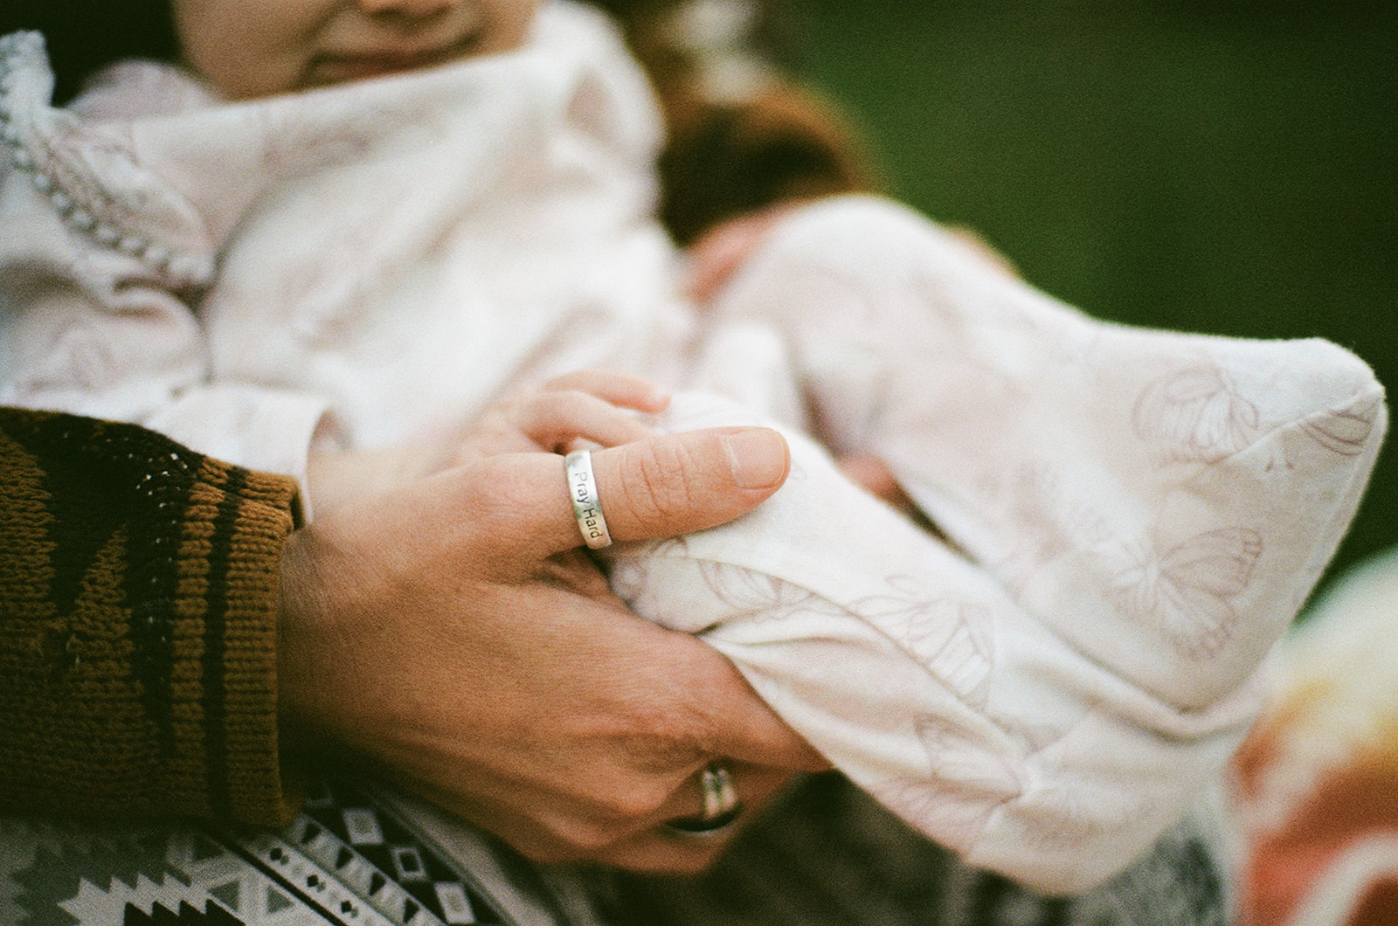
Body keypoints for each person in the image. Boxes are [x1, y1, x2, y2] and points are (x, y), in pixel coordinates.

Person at [0, 0, 1385, 899]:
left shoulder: (554, 44)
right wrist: (339, 502)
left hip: (679, 364)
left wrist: (771, 234)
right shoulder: (129, 168)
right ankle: (1032, 758)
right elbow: (101, 416)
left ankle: (1161, 484)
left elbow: (685, 138)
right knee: (734, 497)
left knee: (850, 262)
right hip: (480, 527)